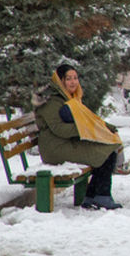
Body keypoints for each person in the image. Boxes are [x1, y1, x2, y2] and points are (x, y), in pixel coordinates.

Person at [34, 64, 124, 210]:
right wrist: (85, 130)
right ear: (60, 81)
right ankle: (101, 195)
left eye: (75, 78)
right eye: (68, 78)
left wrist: (106, 128)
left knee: (107, 147)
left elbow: (88, 118)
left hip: (66, 143)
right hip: (55, 148)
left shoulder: (69, 98)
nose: (73, 82)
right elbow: (59, 129)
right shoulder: (51, 101)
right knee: (105, 151)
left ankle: (92, 196)